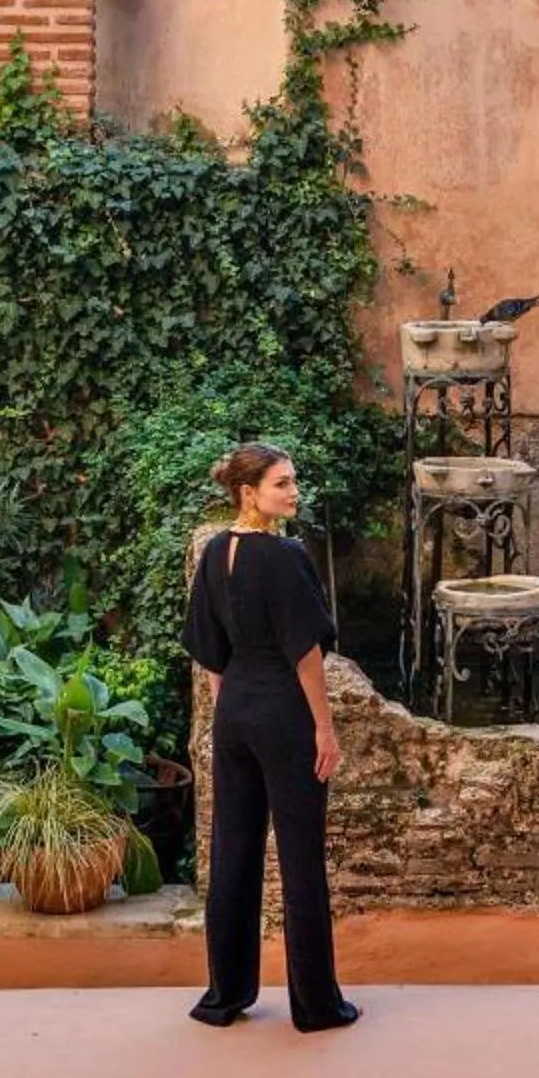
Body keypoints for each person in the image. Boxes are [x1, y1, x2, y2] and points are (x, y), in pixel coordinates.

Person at [182, 442, 358, 1031]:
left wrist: (225, 710)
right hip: (285, 714)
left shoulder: (214, 553)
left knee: (233, 851)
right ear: (248, 492)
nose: (293, 491)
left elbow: (210, 652)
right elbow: (305, 653)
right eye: (282, 483)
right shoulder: (284, 556)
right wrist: (324, 728)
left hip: (234, 711)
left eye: (293, 481)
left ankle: (224, 997)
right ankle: (315, 1005)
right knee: (301, 858)